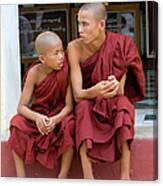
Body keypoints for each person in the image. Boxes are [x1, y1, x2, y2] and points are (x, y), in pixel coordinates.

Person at [67, 3, 145, 179]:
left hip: (111, 98)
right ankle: (88, 177)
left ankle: (125, 176)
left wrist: (114, 86)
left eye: (85, 24)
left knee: (124, 106)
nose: (80, 30)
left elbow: (121, 90)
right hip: (89, 99)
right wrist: (94, 92)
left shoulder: (121, 44)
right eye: (78, 23)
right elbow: (78, 94)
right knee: (82, 110)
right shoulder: (74, 48)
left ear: (101, 25)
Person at [8, 31, 75, 178]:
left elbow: (69, 106)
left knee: (70, 125)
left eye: (62, 51)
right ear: (42, 58)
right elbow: (21, 107)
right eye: (56, 53)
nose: (61, 57)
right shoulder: (34, 73)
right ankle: (21, 177)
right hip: (39, 117)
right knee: (16, 123)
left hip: (59, 116)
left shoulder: (66, 70)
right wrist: (37, 117)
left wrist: (54, 120)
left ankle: (62, 177)